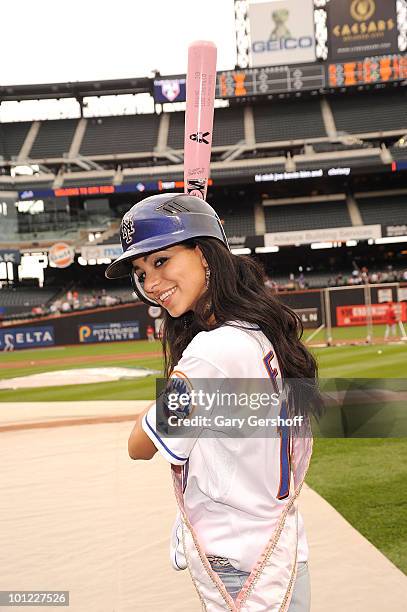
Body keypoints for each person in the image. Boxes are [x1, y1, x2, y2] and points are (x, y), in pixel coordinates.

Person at [105, 193, 321, 611]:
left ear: (204, 255)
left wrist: (172, 391)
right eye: (140, 270)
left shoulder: (213, 351)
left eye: (161, 261)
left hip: (242, 570)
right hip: (274, 552)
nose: (150, 283)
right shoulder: (255, 331)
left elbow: (139, 445)